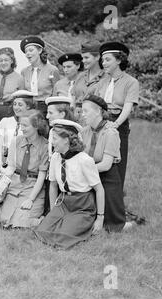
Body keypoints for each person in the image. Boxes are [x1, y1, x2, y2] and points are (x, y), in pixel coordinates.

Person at [32, 119, 105, 249]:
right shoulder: (56, 157)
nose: (51, 142)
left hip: (82, 205)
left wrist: (100, 218)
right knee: (42, 231)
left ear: (66, 140)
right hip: (64, 202)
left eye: (54, 138)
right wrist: (53, 210)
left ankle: (78, 224)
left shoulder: (84, 160)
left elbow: (99, 189)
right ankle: (61, 220)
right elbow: (53, 185)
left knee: (64, 235)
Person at [81, 95, 143, 232]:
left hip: (106, 178)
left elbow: (106, 165)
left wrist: (82, 170)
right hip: (89, 175)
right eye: (82, 111)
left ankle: (128, 223)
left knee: (111, 227)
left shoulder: (111, 132)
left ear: (98, 111)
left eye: (86, 111)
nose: (82, 114)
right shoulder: (84, 132)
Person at [92, 41, 139, 189]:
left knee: (117, 163)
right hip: (100, 122)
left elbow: (127, 107)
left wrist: (116, 124)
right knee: (98, 159)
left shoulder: (131, 82)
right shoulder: (102, 82)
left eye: (107, 60)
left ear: (119, 60)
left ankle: (115, 201)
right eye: (102, 60)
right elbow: (94, 103)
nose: (103, 63)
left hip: (118, 123)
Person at [0, 112, 49, 228]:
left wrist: (31, 199)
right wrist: (1, 187)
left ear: (36, 126)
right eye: (21, 125)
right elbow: (10, 167)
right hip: (15, 185)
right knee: (4, 221)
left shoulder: (45, 146)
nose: (22, 128)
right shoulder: (16, 141)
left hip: (32, 187)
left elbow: (42, 176)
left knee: (22, 223)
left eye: (25, 126)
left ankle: (40, 218)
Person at [0, 47, 25, 147]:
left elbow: (22, 98)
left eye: (6, 60)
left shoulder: (19, 78)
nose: (3, 63)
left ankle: (7, 160)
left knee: (8, 137)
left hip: (10, 110)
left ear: (12, 61)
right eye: (0, 60)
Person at [0, 90, 37, 173]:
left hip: (21, 168)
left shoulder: (33, 124)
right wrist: (1, 165)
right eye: (14, 104)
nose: (16, 107)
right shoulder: (5, 121)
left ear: (28, 106)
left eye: (20, 105)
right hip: (5, 165)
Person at [20, 36, 60, 117]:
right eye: (26, 51)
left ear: (39, 50)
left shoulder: (52, 69)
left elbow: (56, 93)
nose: (28, 53)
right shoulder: (24, 71)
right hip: (29, 109)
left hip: (46, 109)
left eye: (31, 50)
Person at [53, 53, 87, 120]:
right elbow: (54, 104)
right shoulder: (59, 84)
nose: (65, 70)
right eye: (64, 67)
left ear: (78, 66)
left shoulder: (85, 82)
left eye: (69, 67)